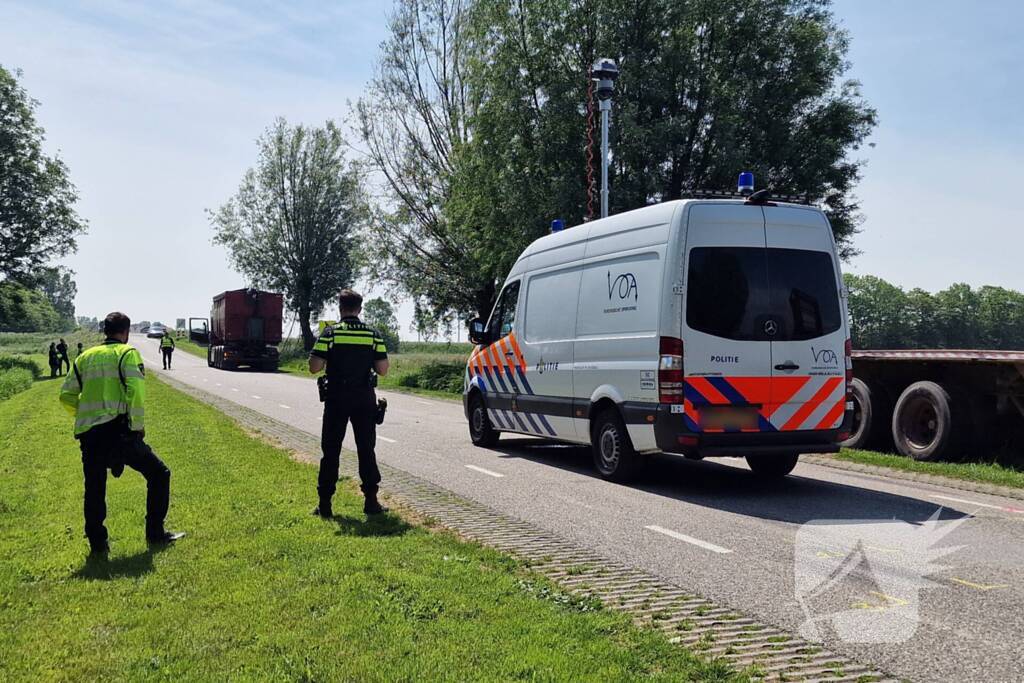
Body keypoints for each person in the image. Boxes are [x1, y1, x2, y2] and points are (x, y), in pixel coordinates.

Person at [59, 311, 184, 555]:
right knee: (159, 474)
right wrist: (137, 426)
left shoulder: (84, 357)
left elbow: (66, 395)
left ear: (105, 331)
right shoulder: (127, 354)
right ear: (125, 332)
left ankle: (98, 546)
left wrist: (86, 416)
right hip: (119, 432)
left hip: (90, 436)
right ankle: (155, 534)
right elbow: (135, 392)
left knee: (94, 488)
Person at [309, 289, 390, 517]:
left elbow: (314, 367)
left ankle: (325, 505)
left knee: (331, 450)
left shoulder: (330, 334)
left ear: (340, 308)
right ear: (360, 308)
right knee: (366, 449)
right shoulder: (373, 334)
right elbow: (383, 370)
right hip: (364, 398)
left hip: (336, 398)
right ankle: (371, 502)